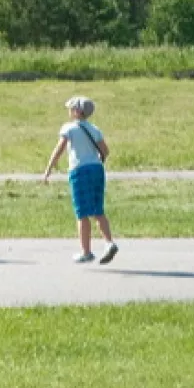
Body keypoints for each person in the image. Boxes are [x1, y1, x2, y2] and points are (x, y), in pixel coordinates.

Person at [42, 96, 119, 264]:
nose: (69, 111)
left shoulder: (69, 128)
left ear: (77, 111)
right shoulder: (94, 129)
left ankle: (86, 251)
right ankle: (108, 242)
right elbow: (105, 151)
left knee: (82, 212)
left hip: (79, 171)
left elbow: (59, 149)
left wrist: (49, 168)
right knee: (98, 210)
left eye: (71, 108)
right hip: (97, 169)